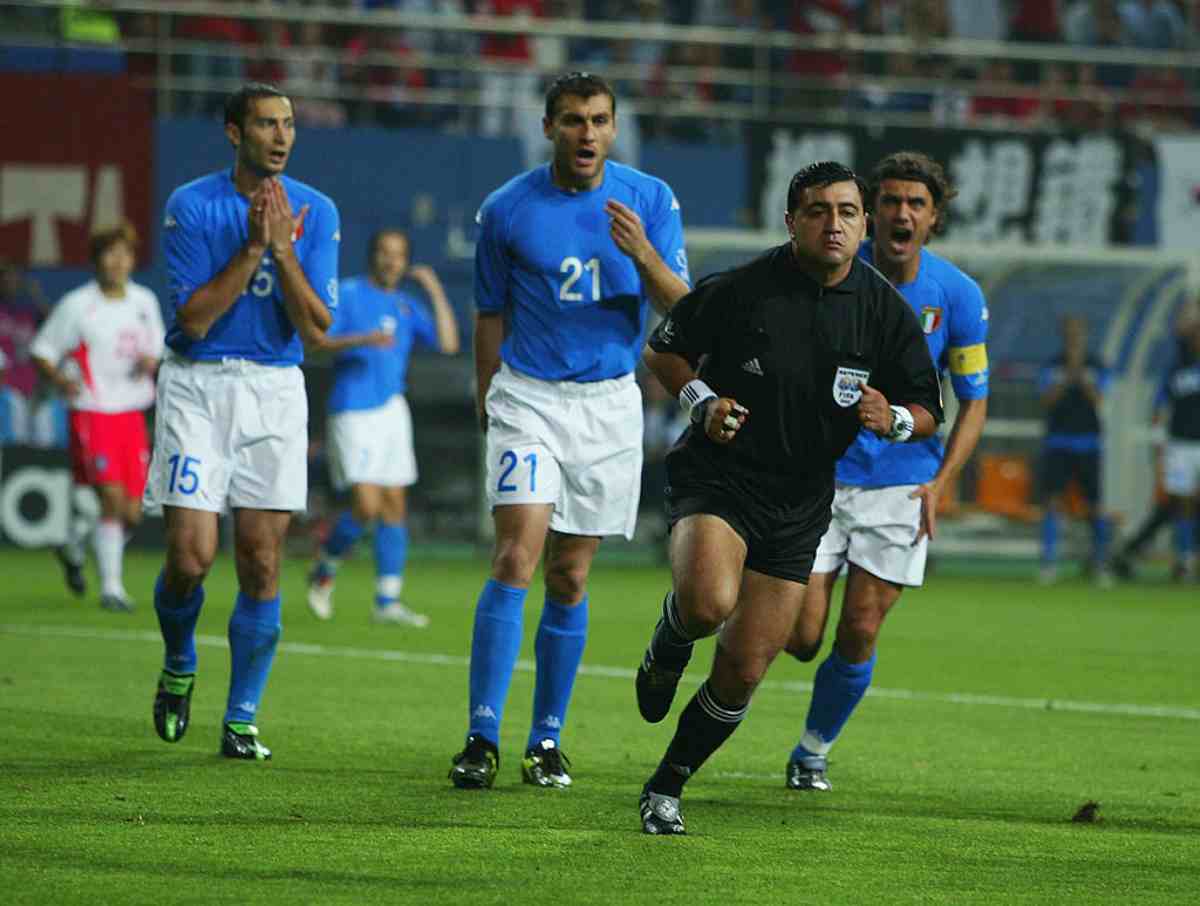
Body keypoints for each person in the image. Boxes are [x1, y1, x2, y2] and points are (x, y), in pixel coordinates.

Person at [634, 160, 943, 835]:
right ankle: (673, 634)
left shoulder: (884, 311)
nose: (834, 224)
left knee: (746, 669)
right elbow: (663, 354)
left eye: (847, 212)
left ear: (863, 225)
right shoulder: (742, 289)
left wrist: (892, 419)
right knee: (709, 603)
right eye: (817, 211)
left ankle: (667, 784)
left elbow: (927, 408)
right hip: (720, 477)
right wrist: (702, 402)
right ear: (791, 221)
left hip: (803, 500)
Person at [448, 71, 691, 791]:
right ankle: (481, 736)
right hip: (528, 397)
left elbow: (684, 306)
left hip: (610, 404)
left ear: (614, 129)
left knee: (571, 571)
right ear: (549, 126)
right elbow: (489, 312)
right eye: (573, 121)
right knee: (515, 557)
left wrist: (644, 253)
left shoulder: (651, 200)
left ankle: (545, 740)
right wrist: (487, 393)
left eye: (599, 121)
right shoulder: (507, 209)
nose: (587, 134)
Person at [779, 152, 990, 793]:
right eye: (892, 201)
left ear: (934, 218)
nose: (903, 212)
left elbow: (973, 399)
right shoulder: (827, 274)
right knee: (802, 635)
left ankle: (812, 749)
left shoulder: (957, 295)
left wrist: (943, 481)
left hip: (902, 480)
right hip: (819, 475)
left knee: (862, 626)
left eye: (916, 204)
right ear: (873, 214)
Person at [144, 82, 340, 761]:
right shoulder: (192, 205)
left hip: (275, 391)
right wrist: (255, 249)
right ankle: (178, 662)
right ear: (235, 133)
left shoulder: (317, 209)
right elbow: (192, 320)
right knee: (191, 559)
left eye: (288, 123)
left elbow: (317, 329)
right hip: (198, 387)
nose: (281, 136)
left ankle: (241, 718)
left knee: (260, 560)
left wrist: (284, 250)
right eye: (266, 124)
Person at [306, 228, 460, 624]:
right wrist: (362, 339)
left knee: (394, 505)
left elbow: (447, 343)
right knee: (366, 505)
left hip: (393, 409)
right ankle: (326, 566)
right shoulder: (349, 293)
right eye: (384, 252)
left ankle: (387, 601)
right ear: (372, 255)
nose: (391, 260)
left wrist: (434, 289)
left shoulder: (406, 306)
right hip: (353, 410)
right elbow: (316, 341)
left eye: (399, 254)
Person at [29, 221, 165, 611]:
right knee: (110, 497)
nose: (118, 261)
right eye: (110, 252)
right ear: (96, 260)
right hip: (92, 409)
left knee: (133, 513)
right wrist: (60, 380)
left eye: (125, 253)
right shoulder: (77, 305)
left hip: (131, 413)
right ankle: (112, 589)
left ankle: (74, 545)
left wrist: (149, 360)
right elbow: (42, 350)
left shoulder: (144, 302)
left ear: (133, 259)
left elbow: (156, 349)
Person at [1036, 315, 1113, 585]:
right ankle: (1049, 563)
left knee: (1095, 505)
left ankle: (1100, 562)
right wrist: (1067, 376)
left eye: (1077, 331)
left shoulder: (1097, 365)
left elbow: (1099, 399)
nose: (1073, 336)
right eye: (1069, 331)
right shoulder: (1053, 365)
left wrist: (1081, 376)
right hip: (1058, 441)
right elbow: (1046, 400)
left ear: (1085, 333)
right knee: (1052, 502)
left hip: (1088, 442)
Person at [1153, 318, 1200, 581]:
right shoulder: (1176, 370)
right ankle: (1184, 559)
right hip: (1181, 444)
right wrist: (1158, 439)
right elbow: (1160, 404)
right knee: (1183, 503)